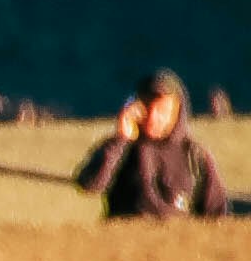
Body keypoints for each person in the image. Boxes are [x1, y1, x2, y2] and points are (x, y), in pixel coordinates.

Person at [76, 71, 231, 221]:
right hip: (127, 237)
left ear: (178, 111)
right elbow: (90, 185)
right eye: (147, 106)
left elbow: (216, 214)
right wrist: (121, 139)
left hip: (178, 236)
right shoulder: (122, 149)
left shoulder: (195, 156)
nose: (153, 116)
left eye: (162, 110)